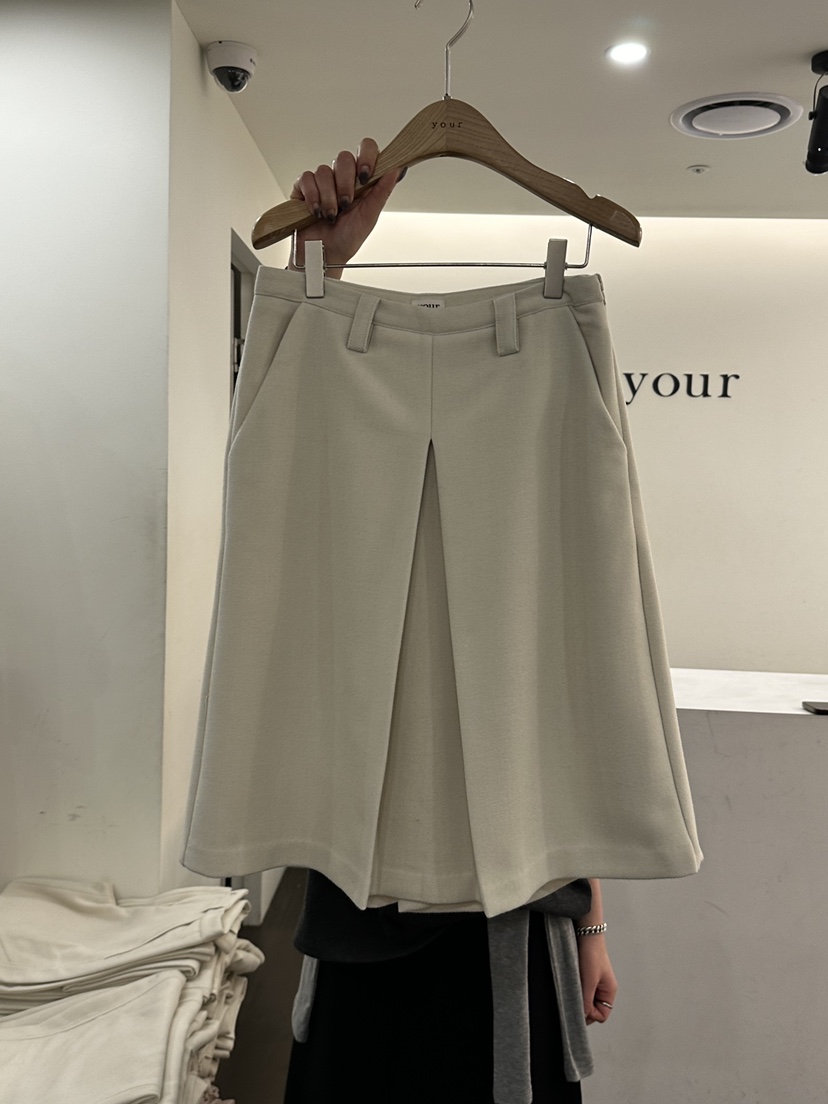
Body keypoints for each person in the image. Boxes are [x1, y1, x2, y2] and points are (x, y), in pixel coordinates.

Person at [281, 140, 618, 1103]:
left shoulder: (552, 411)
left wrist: (591, 920)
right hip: (361, 912)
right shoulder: (327, 441)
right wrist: (315, 275)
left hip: (518, 925)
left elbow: (568, 708)